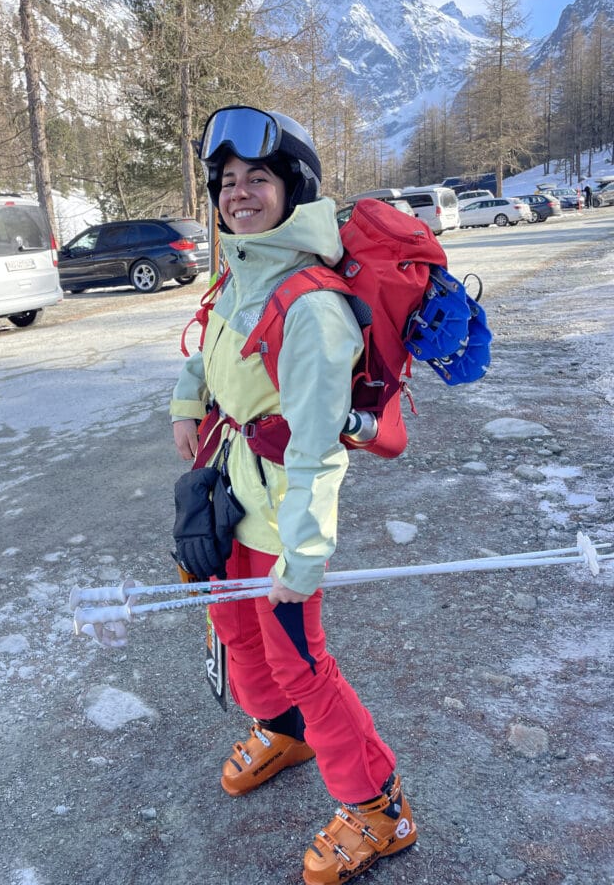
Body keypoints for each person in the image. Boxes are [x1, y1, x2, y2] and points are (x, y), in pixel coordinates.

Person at [170, 105, 416, 885]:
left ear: (292, 188)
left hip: (283, 512)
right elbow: (208, 338)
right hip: (234, 488)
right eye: (229, 181)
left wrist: (305, 556)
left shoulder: (311, 307)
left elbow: (316, 454)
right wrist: (187, 403)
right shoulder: (240, 266)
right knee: (230, 618)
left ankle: (378, 808)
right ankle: (280, 729)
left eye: (258, 179)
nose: (239, 193)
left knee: (300, 658)